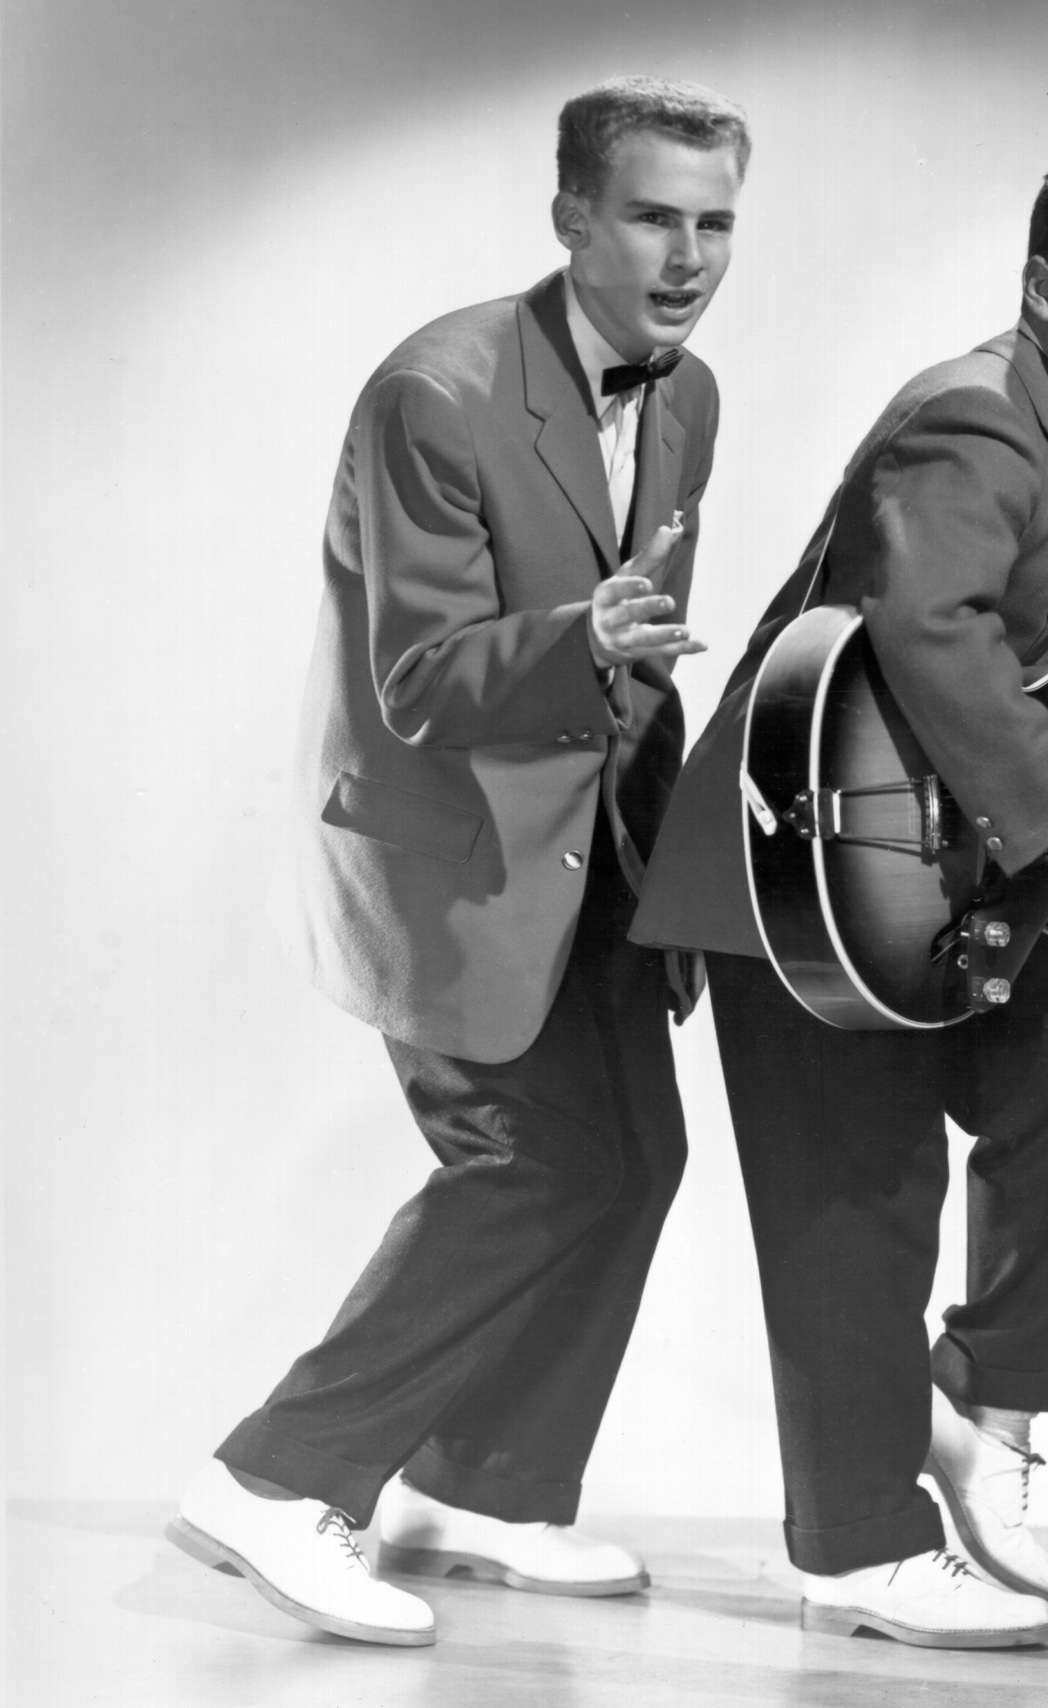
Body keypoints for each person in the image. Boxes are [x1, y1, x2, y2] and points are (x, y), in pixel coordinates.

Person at [631, 144, 1048, 1651]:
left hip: (895, 870)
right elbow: (930, 630)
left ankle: (973, 1403)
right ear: (1042, 289)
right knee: (858, 1202)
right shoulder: (973, 418)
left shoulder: (1043, 440)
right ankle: (857, 1550)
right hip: (796, 872)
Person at [166, 75, 749, 1647]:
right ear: (570, 218)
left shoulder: (685, 398)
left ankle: (489, 1485)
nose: (687, 256)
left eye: (714, 223)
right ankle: (276, 1479)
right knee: (529, 1163)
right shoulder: (433, 391)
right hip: (448, 857)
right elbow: (420, 678)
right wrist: (585, 639)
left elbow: (643, 664)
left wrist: (679, 852)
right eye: (651, 216)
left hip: (596, 850)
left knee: (640, 1158)